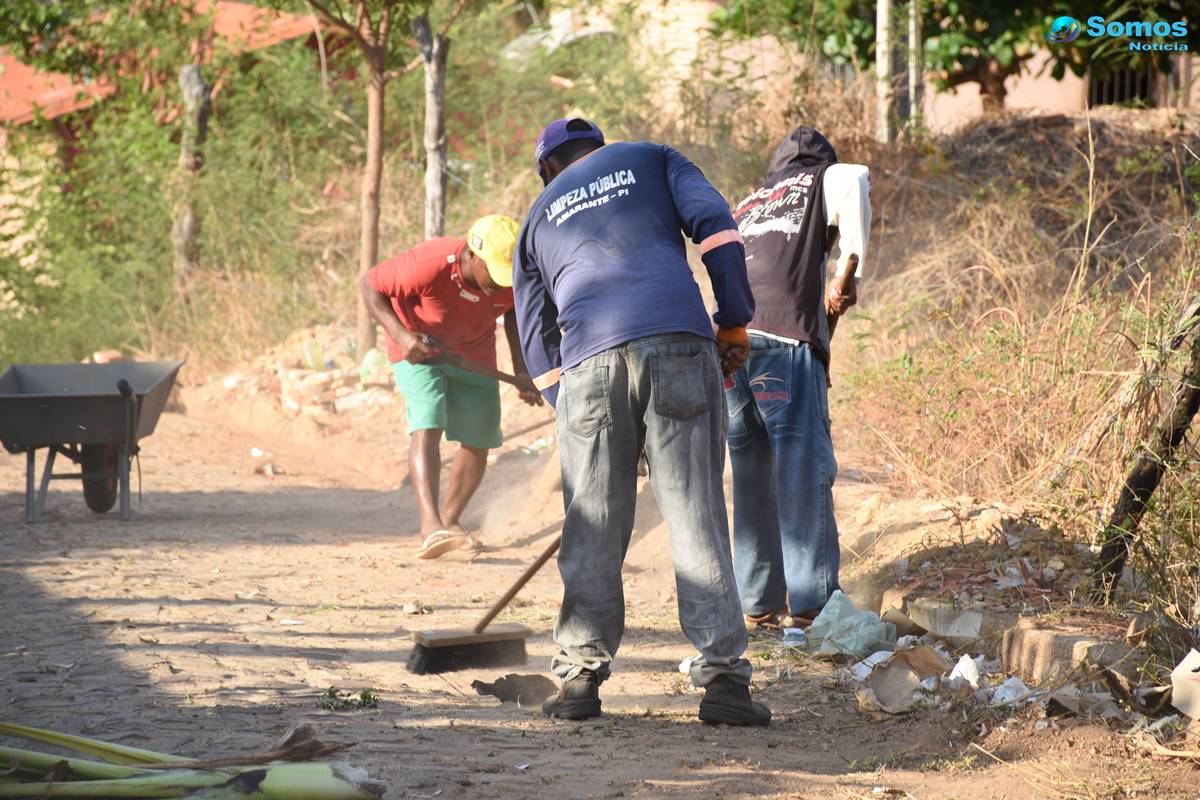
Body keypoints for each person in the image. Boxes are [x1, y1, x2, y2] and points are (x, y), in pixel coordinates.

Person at [513, 117, 770, 726]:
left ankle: (578, 681)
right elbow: (720, 231)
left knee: (592, 525)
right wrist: (732, 318)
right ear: (598, 150)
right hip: (678, 343)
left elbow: (535, 340)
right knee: (695, 516)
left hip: (587, 367)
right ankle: (725, 685)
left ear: (547, 169)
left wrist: (576, 418)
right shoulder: (652, 159)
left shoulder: (536, 218)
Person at [724, 125, 871, 628]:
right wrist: (845, 272)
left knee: (751, 474)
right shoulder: (821, 180)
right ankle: (814, 605)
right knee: (800, 467)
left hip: (731, 348)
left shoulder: (748, 203)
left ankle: (759, 602)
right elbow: (854, 179)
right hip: (785, 346)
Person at [360, 215, 542, 560]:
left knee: (480, 436)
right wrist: (403, 336)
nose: (500, 284)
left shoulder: (511, 276)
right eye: (495, 272)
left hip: (474, 349)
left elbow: (514, 314)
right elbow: (369, 286)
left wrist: (522, 371)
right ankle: (431, 525)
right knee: (428, 420)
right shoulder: (429, 264)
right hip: (418, 348)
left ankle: (451, 520)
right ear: (472, 256)